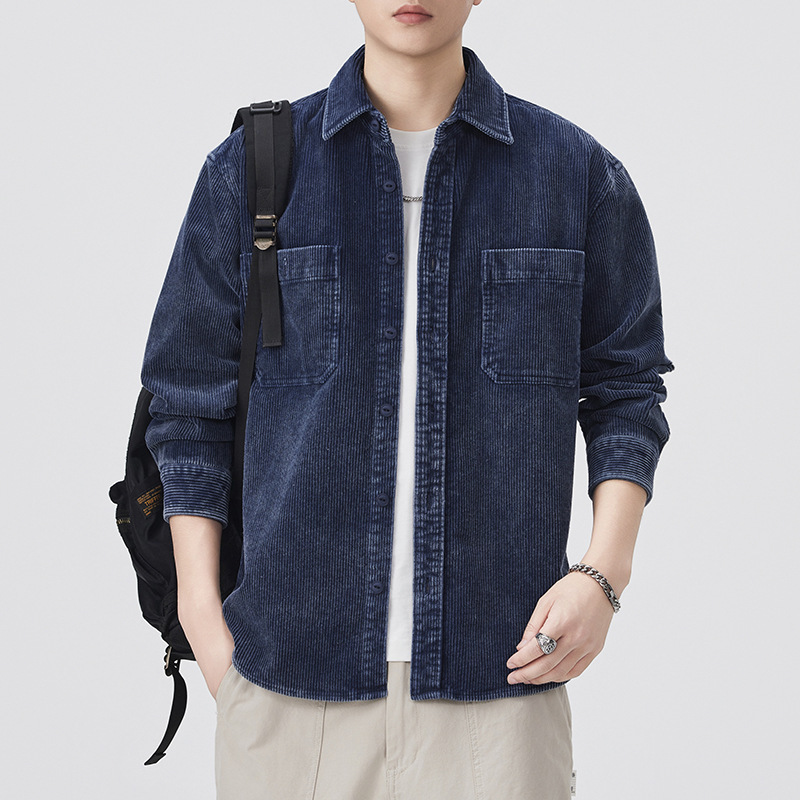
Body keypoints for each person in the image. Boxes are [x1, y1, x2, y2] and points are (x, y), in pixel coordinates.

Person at [140, 1, 674, 797]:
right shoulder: (252, 172)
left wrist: (604, 574)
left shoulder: (574, 175)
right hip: (288, 687)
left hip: (501, 686)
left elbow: (625, 387)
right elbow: (187, 406)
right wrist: (203, 621)